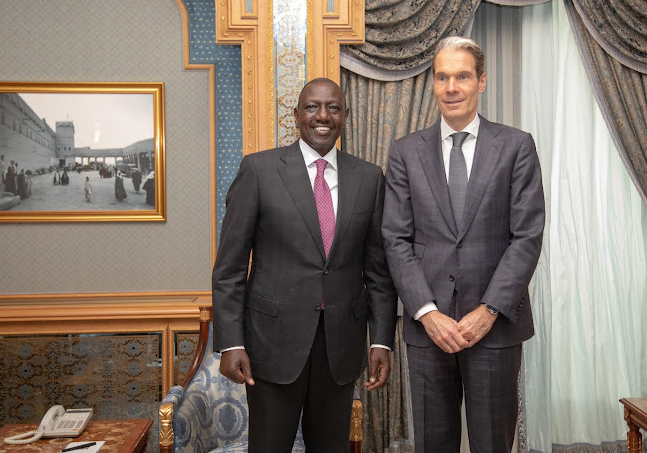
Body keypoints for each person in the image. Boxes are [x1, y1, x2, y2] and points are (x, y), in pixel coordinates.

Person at [212, 77, 397, 453]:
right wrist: (231, 342)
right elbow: (229, 268)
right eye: (313, 107)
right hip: (271, 346)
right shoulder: (259, 171)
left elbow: (378, 271)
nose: (323, 116)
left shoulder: (369, 178)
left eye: (333, 107)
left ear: (346, 115)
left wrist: (381, 339)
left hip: (340, 350)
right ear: (296, 115)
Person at [381, 36, 545, 453]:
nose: (451, 87)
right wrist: (427, 312)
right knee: (433, 445)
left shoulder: (516, 146)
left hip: (494, 329)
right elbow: (396, 238)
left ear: (481, 81)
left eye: (462, 76)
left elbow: (526, 236)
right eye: (442, 77)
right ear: (433, 85)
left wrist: (489, 311)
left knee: (493, 443)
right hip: (428, 331)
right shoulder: (405, 152)